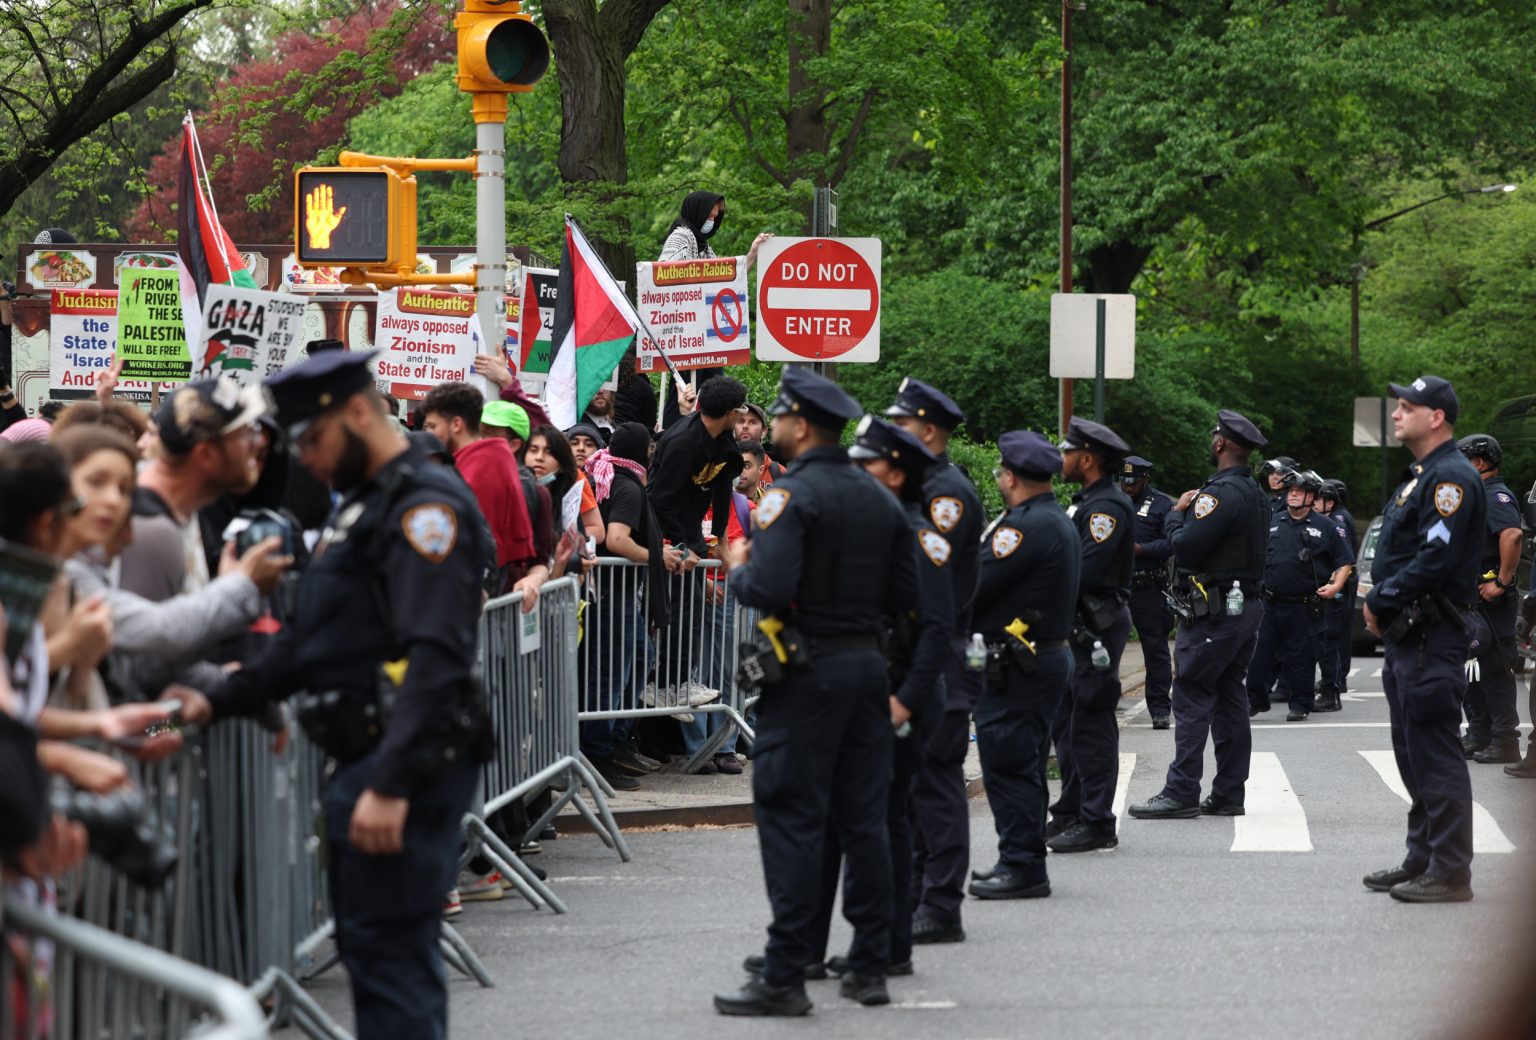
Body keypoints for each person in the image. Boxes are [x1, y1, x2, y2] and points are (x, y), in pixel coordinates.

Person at [173, 350, 495, 1036]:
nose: (307, 462)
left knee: (393, 969)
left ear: (356, 411)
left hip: (396, 766)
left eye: (312, 440)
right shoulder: (370, 505)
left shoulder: (423, 508)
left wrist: (392, 782)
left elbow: (436, 659)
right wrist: (220, 698)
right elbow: (314, 639)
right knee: (374, 957)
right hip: (368, 757)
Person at [714, 368, 918, 1017]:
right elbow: (908, 601)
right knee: (865, 820)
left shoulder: (789, 497)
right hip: (865, 671)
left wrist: (738, 570)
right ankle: (869, 964)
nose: (770, 426)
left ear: (801, 426)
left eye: (778, 417)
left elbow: (769, 588)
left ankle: (784, 973)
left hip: (807, 675)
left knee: (794, 817)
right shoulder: (880, 498)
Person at [1360, 376, 1486, 903]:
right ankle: (1423, 857)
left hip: (1432, 633)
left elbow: (1433, 559)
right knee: (1413, 752)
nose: (1396, 413)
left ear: (1436, 417)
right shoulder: (1423, 477)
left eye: (1407, 406)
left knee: (1435, 752)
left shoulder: (1451, 478)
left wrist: (1379, 597)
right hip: (1410, 636)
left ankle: (1451, 870)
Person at [882, 377, 983, 945]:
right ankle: (921, 892)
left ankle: (941, 903)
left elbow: (935, 585)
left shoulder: (944, 495)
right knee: (917, 782)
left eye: (902, 424)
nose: (895, 432)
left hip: (940, 651)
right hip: (920, 650)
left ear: (926, 430)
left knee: (936, 780)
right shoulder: (923, 486)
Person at [1130, 410, 1268, 820]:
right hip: (1243, 609)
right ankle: (1228, 793)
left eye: (1214, 438)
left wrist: (1176, 512)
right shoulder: (1256, 492)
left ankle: (1181, 791)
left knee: (1191, 694)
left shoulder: (1218, 495)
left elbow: (1186, 547)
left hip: (1214, 614)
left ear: (1221, 444)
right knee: (1229, 697)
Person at [967, 431, 1080, 899]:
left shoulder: (1024, 527)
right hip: (1039, 658)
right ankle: (1022, 858)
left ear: (1010, 477)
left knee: (1011, 765)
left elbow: (976, 584)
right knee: (1025, 764)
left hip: (1020, 664)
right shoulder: (1052, 518)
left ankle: (1022, 866)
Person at [1044, 417, 1135, 852]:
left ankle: (1098, 821)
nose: (1061, 459)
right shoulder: (1085, 502)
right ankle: (1071, 812)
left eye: (1067, 452)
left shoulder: (1106, 509)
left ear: (1087, 458)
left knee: (1092, 725)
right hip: (1076, 627)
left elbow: (1084, 571)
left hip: (1094, 626)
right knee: (1068, 724)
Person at [117, 379, 271, 604]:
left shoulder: (182, 511)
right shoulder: (149, 529)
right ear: (206, 454)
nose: (257, 443)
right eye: (245, 434)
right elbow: (143, 637)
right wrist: (234, 591)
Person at [647, 376, 746, 708]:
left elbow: (722, 488)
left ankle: (680, 682)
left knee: (692, 613)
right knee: (672, 612)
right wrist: (681, 545)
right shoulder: (682, 442)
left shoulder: (724, 441)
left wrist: (718, 539)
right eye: (741, 411)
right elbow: (659, 500)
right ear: (731, 413)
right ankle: (659, 684)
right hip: (664, 532)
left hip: (692, 533)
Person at [581, 423, 668, 791]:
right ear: (644, 450)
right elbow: (617, 541)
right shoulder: (627, 485)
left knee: (638, 658)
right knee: (608, 679)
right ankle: (599, 755)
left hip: (606, 594)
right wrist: (657, 559)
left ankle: (615, 743)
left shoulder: (603, 474)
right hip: (610, 597)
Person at [657, 192, 772, 429]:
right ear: (698, 212)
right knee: (687, 392)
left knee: (707, 391)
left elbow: (724, 278)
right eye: (710, 215)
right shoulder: (681, 238)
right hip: (685, 333)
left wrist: (752, 255)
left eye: (716, 216)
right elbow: (665, 279)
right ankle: (674, 435)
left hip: (704, 336)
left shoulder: (702, 244)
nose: (713, 219)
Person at [1245, 469, 1354, 722]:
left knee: (1301, 657)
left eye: (1299, 492)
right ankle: (1255, 700)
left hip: (1304, 605)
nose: (1293, 495)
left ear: (1311, 496)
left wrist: (1336, 586)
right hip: (1269, 602)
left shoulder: (1326, 526)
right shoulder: (1273, 521)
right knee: (1259, 654)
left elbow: (1345, 561)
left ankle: (1300, 703)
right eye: (1290, 491)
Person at [420, 381, 544, 600]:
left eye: (432, 426)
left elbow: (470, 543)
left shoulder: (481, 466)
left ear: (456, 424)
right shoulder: (490, 456)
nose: (428, 434)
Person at [1455, 434, 1523, 765]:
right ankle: (1480, 734)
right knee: (1473, 670)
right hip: (1471, 600)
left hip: (1490, 600)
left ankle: (1505, 740)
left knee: (1495, 669)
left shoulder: (1495, 496)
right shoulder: (1475, 497)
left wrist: (1501, 581)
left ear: (1480, 463)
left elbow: (1512, 535)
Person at [1121, 455, 1176, 728]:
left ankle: (1159, 709)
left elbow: (1173, 542)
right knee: (1105, 647)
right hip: (1116, 586)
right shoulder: (1112, 503)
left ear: (1145, 479)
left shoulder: (1163, 505)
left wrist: (1142, 550)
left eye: (1133, 482)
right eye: (1124, 481)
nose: (1128, 487)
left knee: (1155, 650)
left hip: (1148, 587)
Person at [1314, 478, 1358, 710]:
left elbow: (1344, 558)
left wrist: (1334, 582)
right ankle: (1334, 681)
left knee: (1333, 635)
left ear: (1330, 501)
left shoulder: (1338, 521)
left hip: (1340, 583)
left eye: (1317, 498)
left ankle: (1335, 682)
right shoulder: (1334, 517)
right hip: (1339, 583)